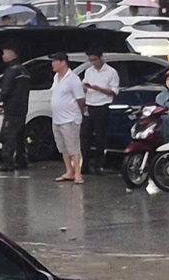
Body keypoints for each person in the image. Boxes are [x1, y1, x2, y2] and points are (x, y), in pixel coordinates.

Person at [81, 49, 121, 174]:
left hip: (102, 106)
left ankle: (98, 164)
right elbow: (83, 86)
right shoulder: (89, 71)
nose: (93, 63)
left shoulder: (111, 72)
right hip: (89, 105)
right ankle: (85, 164)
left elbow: (114, 91)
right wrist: (85, 88)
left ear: (100, 57)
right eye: (91, 60)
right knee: (85, 136)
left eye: (94, 60)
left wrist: (100, 89)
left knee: (100, 137)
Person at [49, 52, 87, 185]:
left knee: (73, 147)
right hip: (57, 118)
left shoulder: (73, 79)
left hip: (70, 119)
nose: (53, 64)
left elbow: (80, 99)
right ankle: (69, 171)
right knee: (63, 147)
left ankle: (77, 173)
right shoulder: (56, 77)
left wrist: (79, 112)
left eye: (55, 61)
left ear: (63, 62)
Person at [0, 44, 32, 174]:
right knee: (19, 135)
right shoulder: (24, 71)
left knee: (8, 135)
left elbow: (6, 88)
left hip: (11, 108)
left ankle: (7, 162)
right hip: (23, 108)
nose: (3, 56)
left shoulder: (11, 71)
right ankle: (22, 160)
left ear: (11, 54)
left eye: (4, 53)